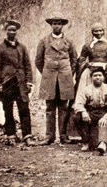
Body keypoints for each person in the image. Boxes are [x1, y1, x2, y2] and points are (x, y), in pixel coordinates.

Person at [35, 16, 77, 145]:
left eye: (59, 24)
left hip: (64, 78)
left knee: (63, 107)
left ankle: (63, 136)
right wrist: (48, 73)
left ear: (62, 25)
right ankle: (49, 136)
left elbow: (74, 59)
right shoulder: (44, 41)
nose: (56, 26)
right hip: (49, 78)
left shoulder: (69, 41)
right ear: (51, 25)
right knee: (50, 107)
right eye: (54, 23)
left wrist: (68, 73)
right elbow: (38, 60)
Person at [0, 20, 34, 146]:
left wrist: (29, 82)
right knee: (8, 110)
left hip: (21, 82)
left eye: (14, 30)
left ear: (16, 32)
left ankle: (27, 136)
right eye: (9, 30)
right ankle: (11, 135)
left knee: (24, 109)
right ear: (6, 31)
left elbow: (28, 65)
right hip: (7, 82)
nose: (12, 32)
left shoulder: (22, 47)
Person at [73, 67, 107, 155]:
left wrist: (106, 117)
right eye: (95, 76)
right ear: (91, 78)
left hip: (104, 112)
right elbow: (78, 103)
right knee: (77, 117)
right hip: (91, 112)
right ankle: (85, 142)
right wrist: (83, 112)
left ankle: (102, 143)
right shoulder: (86, 89)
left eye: (100, 75)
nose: (97, 77)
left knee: (103, 122)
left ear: (103, 77)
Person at [77, 22, 107, 91]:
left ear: (103, 32)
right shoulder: (87, 46)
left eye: (100, 31)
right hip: (91, 69)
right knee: (84, 85)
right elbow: (81, 60)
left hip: (105, 70)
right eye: (96, 31)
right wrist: (88, 65)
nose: (98, 33)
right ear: (92, 32)